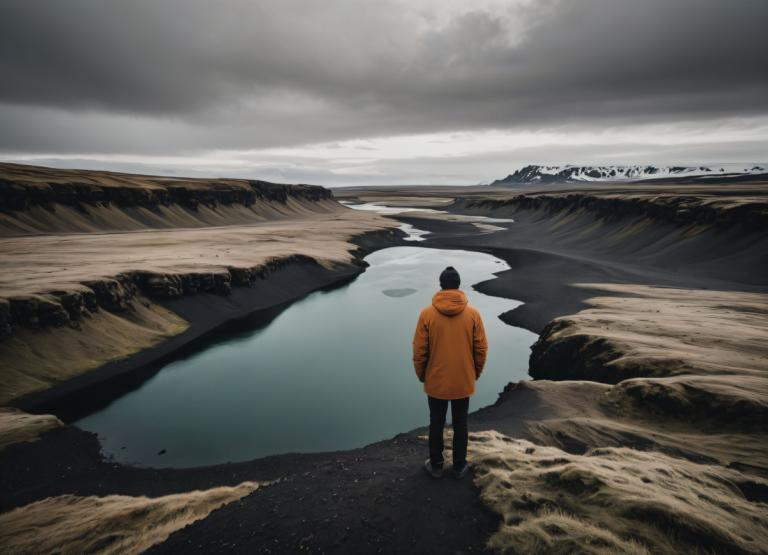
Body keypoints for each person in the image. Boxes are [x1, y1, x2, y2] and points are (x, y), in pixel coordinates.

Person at [412, 266, 488, 479]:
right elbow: (481, 349)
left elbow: (419, 350)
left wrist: (422, 375)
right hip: (463, 380)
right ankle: (459, 466)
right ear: (458, 286)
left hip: (435, 381)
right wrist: (474, 373)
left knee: (436, 422)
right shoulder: (473, 314)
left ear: (441, 285)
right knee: (461, 422)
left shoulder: (426, 314)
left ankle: (436, 465)